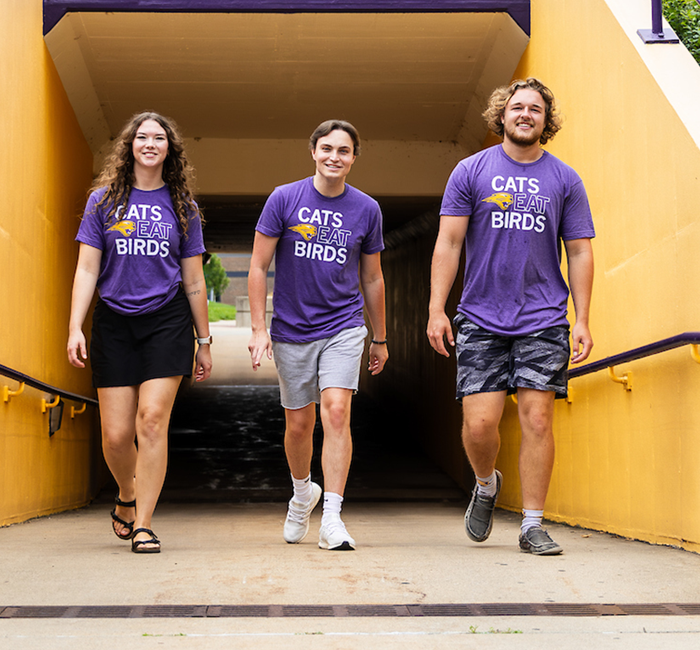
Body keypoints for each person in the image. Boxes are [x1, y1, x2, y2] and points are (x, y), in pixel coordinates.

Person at [426, 78, 595, 557]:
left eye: (536, 109)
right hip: (480, 316)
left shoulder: (564, 179)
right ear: (501, 115)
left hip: (543, 317)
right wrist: (437, 308)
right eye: (517, 107)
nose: (526, 114)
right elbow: (449, 242)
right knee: (480, 426)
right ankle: (485, 484)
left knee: (537, 418)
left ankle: (533, 525)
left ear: (547, 120)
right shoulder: (470, 170)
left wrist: (581, 319)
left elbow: (579, 252)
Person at [66, 111, 214, 554]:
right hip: (113, 319)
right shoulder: (102, 202)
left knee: (151, 420)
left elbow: (193, 280)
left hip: (167, 320)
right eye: (142, 137)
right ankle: (127, 496)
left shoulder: (183, 207)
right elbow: (88, 267)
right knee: (114, 436)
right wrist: (75, 326)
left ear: (170, 149)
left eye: (159, 138)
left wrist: (204, 341)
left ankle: (145, 523)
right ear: (129, 145)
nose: (150, 143)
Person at [248, 120, 387, 551]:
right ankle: (302, 492)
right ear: (313, 151)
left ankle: (332, 518)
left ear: (353, 158)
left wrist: (379, 337)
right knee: (298, 423)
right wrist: (258, 328)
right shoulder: (284, 198)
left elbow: (373, 278)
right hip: (291, 329)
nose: (334, 157)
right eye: (327, 148)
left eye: (344, 151)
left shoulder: (366, 209)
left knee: (336, 411)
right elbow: (257, 267)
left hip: (344, 326)